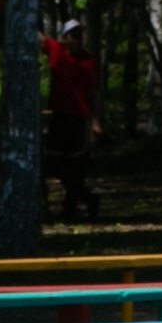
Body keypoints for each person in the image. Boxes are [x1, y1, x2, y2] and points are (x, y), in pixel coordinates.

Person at [44, 19, 104, 222]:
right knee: (53, 162)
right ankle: (87, 198)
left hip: (79, 120)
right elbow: (37, 37)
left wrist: (96, 121)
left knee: (76, 166)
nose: (77, 40)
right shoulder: (56, 50)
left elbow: (94, 93)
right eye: (73, 35)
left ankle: (69, 212)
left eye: (79, 35)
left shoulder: (89, 61)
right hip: (59, 117)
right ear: (65, 38)